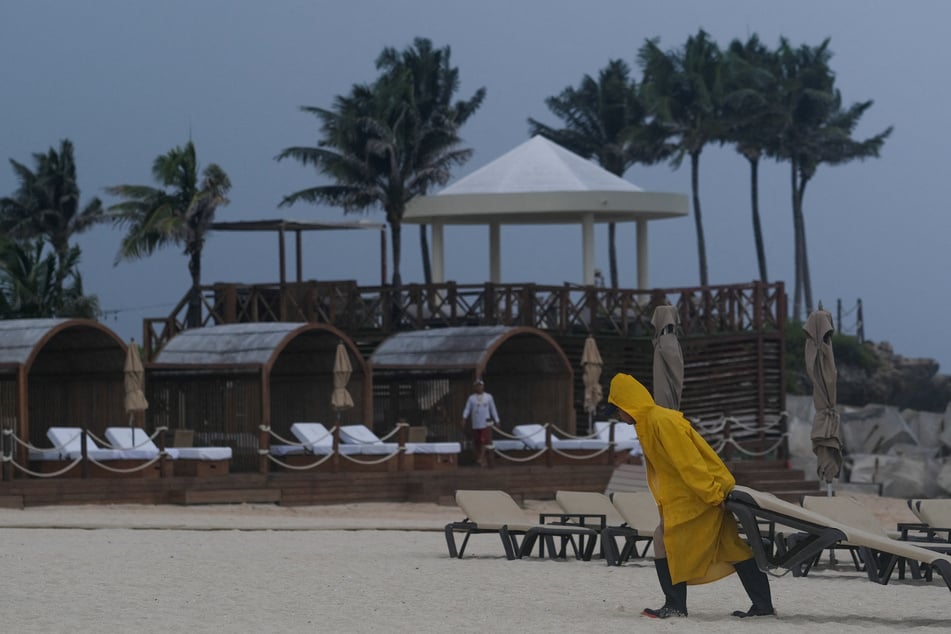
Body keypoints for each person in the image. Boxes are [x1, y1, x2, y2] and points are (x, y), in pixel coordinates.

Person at [607, 372, 774, 619]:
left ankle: (675, 605)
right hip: (699, 492)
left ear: (627, 404)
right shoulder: (651, 422)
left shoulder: (659, 421)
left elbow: (689, 462)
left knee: (664, 539)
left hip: (699, 494)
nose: (618, 416)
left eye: (617, 409)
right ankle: (763, 606)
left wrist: (711, 495)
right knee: (733, 547)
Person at [460, 379, 500, 468]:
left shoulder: (488, 397)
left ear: (483, 386)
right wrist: (464, 418)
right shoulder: (471, 398)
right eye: (477, 385)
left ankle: (481, 458)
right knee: (476, 442)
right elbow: (467, 409)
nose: (479, 387)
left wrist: (497, 420)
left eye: (480, 385)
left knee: (484, 441)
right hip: (475, 424)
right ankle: (482, 459)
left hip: (486, 424)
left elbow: (493, 409)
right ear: (475, 387)